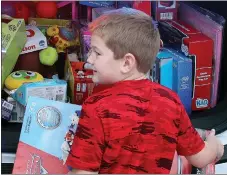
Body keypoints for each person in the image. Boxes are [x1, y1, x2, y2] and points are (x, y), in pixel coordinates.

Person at [66, 8, 224, 174]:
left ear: (127, 63)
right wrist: (215, 146)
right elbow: (201, 158)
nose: (89, 59)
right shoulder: (171, 101)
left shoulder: (96, 107)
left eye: (97, 53)